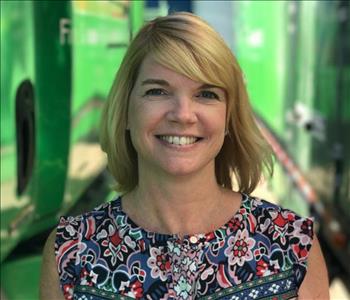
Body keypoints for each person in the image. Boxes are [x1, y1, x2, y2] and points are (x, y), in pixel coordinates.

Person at [40, 12, 329, 300]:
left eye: (206, 94)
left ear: (228, 117)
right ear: (126, 110)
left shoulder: (292, 245)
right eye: (157, 91)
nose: (183, 114)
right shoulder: (71, 252)